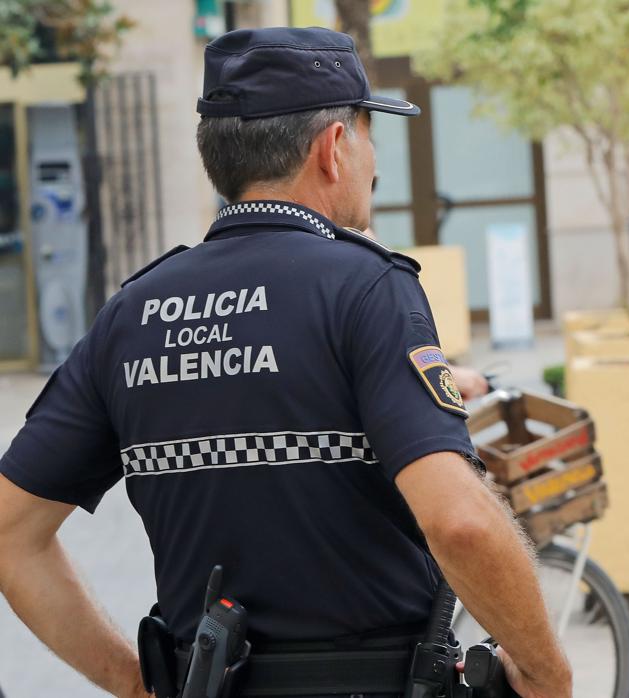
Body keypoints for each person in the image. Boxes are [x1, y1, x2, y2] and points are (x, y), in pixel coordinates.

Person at [0, 27, 570, 698]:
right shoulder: (366, 288)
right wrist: (547, 674)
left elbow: (12, 534)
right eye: (367, 134)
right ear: (333, 148)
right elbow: (460, 521)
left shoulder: (131, 315)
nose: (374, 162)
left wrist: (135, 682)